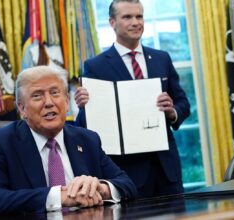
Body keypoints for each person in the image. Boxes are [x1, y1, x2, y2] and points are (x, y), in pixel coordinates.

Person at [0, 66, 137, 214]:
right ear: (22, 108)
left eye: (55, 93)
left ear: (66, 102)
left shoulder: (87, 139)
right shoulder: (0, 144)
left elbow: (127, 184)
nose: (49, 103)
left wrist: (101, 189)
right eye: (37, 96)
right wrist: (58, 197)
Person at [74, 0, 190, 198]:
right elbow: (88, 126)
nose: (136, 22)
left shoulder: (162, 58)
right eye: (127, 17)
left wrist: (172, 112)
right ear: (112, 22)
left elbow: (183, 104)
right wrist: (85, 106)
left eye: (139, 16)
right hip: (128, 171)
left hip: (166, 168)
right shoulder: (96, 66)